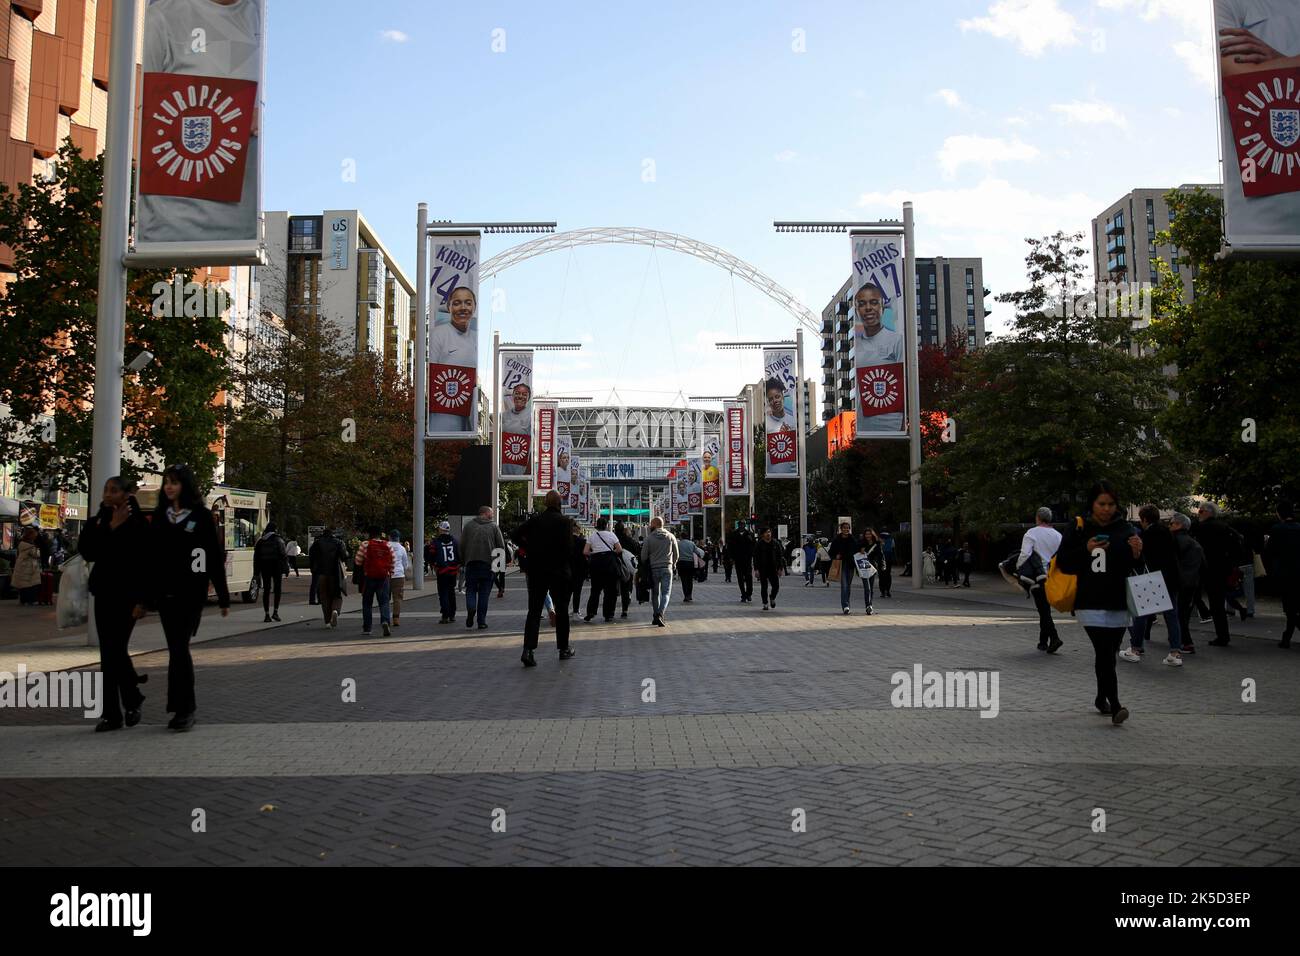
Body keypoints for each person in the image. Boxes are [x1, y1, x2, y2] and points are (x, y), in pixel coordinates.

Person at [138, 0, 261, 245]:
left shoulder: (267, 19)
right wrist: (233, 117)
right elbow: (142, 112)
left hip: (243, 236)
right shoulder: (163, 16)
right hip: (168, 233)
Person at [141, 464, 230, 732]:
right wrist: (145, 597)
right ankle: (181, 708)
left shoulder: (201, 517)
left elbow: (213, 556)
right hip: (167, 593)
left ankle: (184, 709)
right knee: (177, 649)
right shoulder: (159, 517)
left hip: (191, 593)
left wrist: (223, 596)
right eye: (167, 481)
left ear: (185, 486)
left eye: (175, 482)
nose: (169, 486)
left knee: (179, 648)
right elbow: (151, 559)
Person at [1053, 481, 1141, 725]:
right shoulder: (1080, 527)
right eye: (1101, 504)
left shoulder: (1125, 529)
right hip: (1090, 600)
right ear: (1092, 504)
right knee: (1103, 652)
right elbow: (1064, 562)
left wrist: (1136, 553)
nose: (1106, 509)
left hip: (1118, 601)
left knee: (1109, 654)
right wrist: (1086, 549)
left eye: (1111, 504)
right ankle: (1115, 704)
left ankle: (1101, 697)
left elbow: (1131, 566)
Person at [78, 476, 149, 732]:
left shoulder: (139, 524)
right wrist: (110, 528)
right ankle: (116, 711)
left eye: (114, 490)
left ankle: (127, 702)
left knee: (114, 649)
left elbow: (143, 564)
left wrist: (143, 600)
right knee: (109, 654)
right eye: (106, 489)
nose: (108, 494)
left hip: (128, 596)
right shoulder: (98, 520)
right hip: (104, 593)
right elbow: (88, 551)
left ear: (127, 495)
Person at [514, 491, 577, 666]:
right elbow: (569, 548)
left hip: (537, 570)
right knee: (562, 610)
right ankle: (563, 648)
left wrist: (530, 548)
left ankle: (528, 649)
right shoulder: (565, 522)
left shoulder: (535, 520)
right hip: (559, 570)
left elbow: (515, 535)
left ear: (545, 503)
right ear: (560, 503)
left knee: (534, 610)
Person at [1121, 506, 1184, 667]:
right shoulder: (1169, 533)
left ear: (1144, 519)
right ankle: (1175, 653)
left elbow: (1140, 557)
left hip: (1153, 578)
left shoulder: (1146, 535)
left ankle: (1135, 649)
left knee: (1141, 613)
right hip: (1172, 577)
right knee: (1172, 615)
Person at [852, 281, 905, 433]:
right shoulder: (857, 347)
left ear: (882, 307)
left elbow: (905, 386)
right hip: (864, 430)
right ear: (857, 311)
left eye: (873, 302)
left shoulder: (896, 341)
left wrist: (903, 427)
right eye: (862, 304)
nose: (868, 308)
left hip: (893, 429)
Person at [427, 285, 479, 433]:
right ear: (449, 307)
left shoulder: (475, 337)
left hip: (469, 413)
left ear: (474, 307)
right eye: (457, 303)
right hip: (444, 413)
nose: (463, 307)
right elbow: (430, 374)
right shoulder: (437, 334)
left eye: (468, 303)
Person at [1189, 502, 1236, 647]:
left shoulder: (1202, 528)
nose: (1199, 514)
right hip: (1221, 570)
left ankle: (1183, 635)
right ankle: (1223, 635)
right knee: (1217, 604)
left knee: (1192, 599)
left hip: (1206, 570)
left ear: (1208, 512)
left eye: (1201, 511)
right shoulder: (1225, 527)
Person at [1019, 507, 1063, 653]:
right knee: (1045, 609)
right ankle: (1043, 642)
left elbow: (1025, 554)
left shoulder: (1031, 533)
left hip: (1038, 576)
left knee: (1043, 610)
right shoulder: (1058, 535)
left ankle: (1055, 638)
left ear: (1038, 517)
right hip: (1054, 577)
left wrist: (1019, 569)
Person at [461, 505, 506, 629]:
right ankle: (481, 621)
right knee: (484, 594)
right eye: (491, 513)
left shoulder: (468, 526)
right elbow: (500, 547)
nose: (492, 515)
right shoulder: (494, 527)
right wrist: (499, 568)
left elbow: (462, 545)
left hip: (471, 564)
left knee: (470, 590)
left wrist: (463, 562)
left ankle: (471, 608)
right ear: (485, 513)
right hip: (488, 565)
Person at [1263, 500, 1300, 649]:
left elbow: (1269, 552)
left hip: (1285, 573)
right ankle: (1286, 637)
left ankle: (1287, 638)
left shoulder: (1277, 529)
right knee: (1295, 606)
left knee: (1289, 608)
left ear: (1279, 514)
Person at [1170, 513, 1204, 656]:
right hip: (1193, 582)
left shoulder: (1175, 541)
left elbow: (1171, 562)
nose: (1169, 526)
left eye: (1171, 523)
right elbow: (1204, 564)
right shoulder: (1194, 543)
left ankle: (1184, 642)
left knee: (1178, 615)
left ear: (1178, 525)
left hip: (1179, 582)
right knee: (1184, 614)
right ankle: (1184, 641)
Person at [354, 525, 394, 636]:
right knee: (384, 602)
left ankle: (367, 628)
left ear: (369, 534)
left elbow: (358, 561)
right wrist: (390, 572)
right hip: (383, 577)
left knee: (367, 603)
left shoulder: (365, 545)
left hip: (369, 577)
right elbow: (392, 561)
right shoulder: (387, 545)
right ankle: (385, 621)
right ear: (380, 534)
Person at [583, 516, 623, 623]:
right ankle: (608, 615)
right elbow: (619, 549)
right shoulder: (611, 535)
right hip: (610, 565)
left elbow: (585, 552)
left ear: (597, 525)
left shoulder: (592, 536)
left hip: (596, 565)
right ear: (607, 525)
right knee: (610, 591)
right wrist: (610, 552)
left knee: (595, 590)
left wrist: (594, 553)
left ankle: (591, 612)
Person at [641, 516, 679, 627]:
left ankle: (655, 614)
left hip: (653, 569)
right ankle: (660, 614)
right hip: (667, 567)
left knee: (655, 593)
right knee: (666, 593)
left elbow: (643, 557)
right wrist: (674, 563)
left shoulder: (648, 538)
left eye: (651, 524)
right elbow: (676, 553)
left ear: (654, 525)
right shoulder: (671, 536)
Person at [308, 527, 348, 628]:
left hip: (321, 572)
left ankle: (327, 621)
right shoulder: (338, 542)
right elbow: (344, 556)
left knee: (324, 597)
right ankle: (335, 610)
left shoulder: (317, 543)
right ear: (332, 534)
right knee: (337, 595)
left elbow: (311, 556)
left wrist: (313, 569)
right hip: (335, 573)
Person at [253, 522, 287, 622]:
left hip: (265, 567)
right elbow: (283, 555)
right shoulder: (278, 540)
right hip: (277, 567)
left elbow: (256, 558)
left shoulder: (260, 541)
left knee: (266, 590)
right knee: (277, 589)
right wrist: (286, 568)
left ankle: (266, 614)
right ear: (275, 530)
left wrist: (256, 572)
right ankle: (275, 612)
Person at [763, 377, 797, 476]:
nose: (775, 401)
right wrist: (780, 437)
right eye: (771, 399)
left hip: (792, 475)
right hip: (771, 476)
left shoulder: (793, 420)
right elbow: (761, 449)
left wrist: (788, 436)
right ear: (768, 402)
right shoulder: (765, 423)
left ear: (783, 396)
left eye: (777, 396)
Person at [428, 522, 461, 624]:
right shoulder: (455, 541)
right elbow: (459, 555)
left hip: (442, 571)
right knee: (451, 592)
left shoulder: (436, 542)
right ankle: (452, 614)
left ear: (441, 529)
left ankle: (445, 615)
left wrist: (433, 564)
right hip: (453, 571)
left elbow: (431, 555)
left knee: (443, 593)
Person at [500, 382, 533, 477]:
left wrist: (528, 471)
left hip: (522, 470)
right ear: (513, 395)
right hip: (503, 469)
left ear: (528, 398)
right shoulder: (504, 416)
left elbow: (534, 447)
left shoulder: (532, 416)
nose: (520, 396)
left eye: (524, 394)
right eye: (517, 393)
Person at [827, 521, 858, 614]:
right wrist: (835, 555)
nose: (846, 529)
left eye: (848, 528)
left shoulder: (852, 539)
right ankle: (845, 606)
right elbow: (831, 552)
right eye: (844, 528)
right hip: (841, 564)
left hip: (850, 565)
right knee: (844, 586)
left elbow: (856, 550)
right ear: (841, 529)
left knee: (848, 586)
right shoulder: (837, 539)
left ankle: (847, 604)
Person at [387, 529, 412, 627]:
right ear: (398, 538)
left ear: (389, 537)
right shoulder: (402, 549)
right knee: (397, 598)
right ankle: (396, 618)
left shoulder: (386, 546)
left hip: (387, 574)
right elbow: (405, 564)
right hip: (399, 575)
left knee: (385, 598)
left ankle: (385, 617)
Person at [726, 520, 756, 603]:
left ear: (745, 525)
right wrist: (731, 558)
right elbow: (730, 547)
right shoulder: (733, 534)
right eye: (740, 525)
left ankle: (749, 593)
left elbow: (754, 545)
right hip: (738, 559)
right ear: (738, 525)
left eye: (743, 524)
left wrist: (752, 555)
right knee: (740, 578)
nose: (741, 526)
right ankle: (743, 594)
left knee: (748, 577)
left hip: (747, 559)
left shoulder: (749, 534)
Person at [614, 520, 638, 619]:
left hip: (614, 567)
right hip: (627, 568)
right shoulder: (630, 540)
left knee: (611, 590)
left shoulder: (612, 539)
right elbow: (637, 551)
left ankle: (610, 613)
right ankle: (625, 610)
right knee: (625, 589)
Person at [12, 527, 42, 605]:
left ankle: (23, 600)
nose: (35, 537)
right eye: (34, 536)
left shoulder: (22, 544)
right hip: (29, 566)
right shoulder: (31, 546)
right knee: (30, 584)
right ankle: (30, 600)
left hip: (22, 565)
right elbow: (36, 555)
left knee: (23, 584)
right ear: (31, 536)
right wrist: (37, 549)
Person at [755, 527, 783, 610]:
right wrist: (756, 569)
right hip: (762, 568)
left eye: (769, 532)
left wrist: (780, 568)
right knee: (764, 587)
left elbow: (779, 556)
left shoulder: (775, 543)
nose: (768, 534)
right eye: (766, 532)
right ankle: (765, 603)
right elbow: (756, 557)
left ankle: (772, 597)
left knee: (776, 586)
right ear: (763, 534)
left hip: (773, 568)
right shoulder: (759, 544)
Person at [857, 529, 884, 614]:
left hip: (872, 567)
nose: (868, 536)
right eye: (866, 534)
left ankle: (870, 605)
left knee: (871, 588)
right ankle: (868, 606)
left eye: (869, 534)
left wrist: (882, 565)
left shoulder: (877, 544)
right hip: (863, 566)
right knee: (867, 588)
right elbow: (856, 554)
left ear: (872, 535)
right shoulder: (861, 544)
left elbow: (881, 555)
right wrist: (860, 551)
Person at [569, 527, 588, 617]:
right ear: (578, 532)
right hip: (579, 570)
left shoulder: (566, 541)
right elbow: (586, 553)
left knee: (567, 592)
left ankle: (563, 610)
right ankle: (576, 611)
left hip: (567, 569)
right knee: (577, 592)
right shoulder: (582, 541)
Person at [676, 535, 698, 604]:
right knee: (690, 580)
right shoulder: (692, 543)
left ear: (681, 537)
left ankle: (686, 595)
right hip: (690, 563)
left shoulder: (678, 544)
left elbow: (675, 552)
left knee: (684, 580)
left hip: (681, 563)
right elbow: (696, 552)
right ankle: (690, 594)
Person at [877, 530, 894, 597]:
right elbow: (893, 547)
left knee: (881, 575)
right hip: (888, 559)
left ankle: (882, 591)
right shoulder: (891, 538)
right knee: (888, 574)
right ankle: (888, 590)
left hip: (881, 559)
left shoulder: (879, 539)